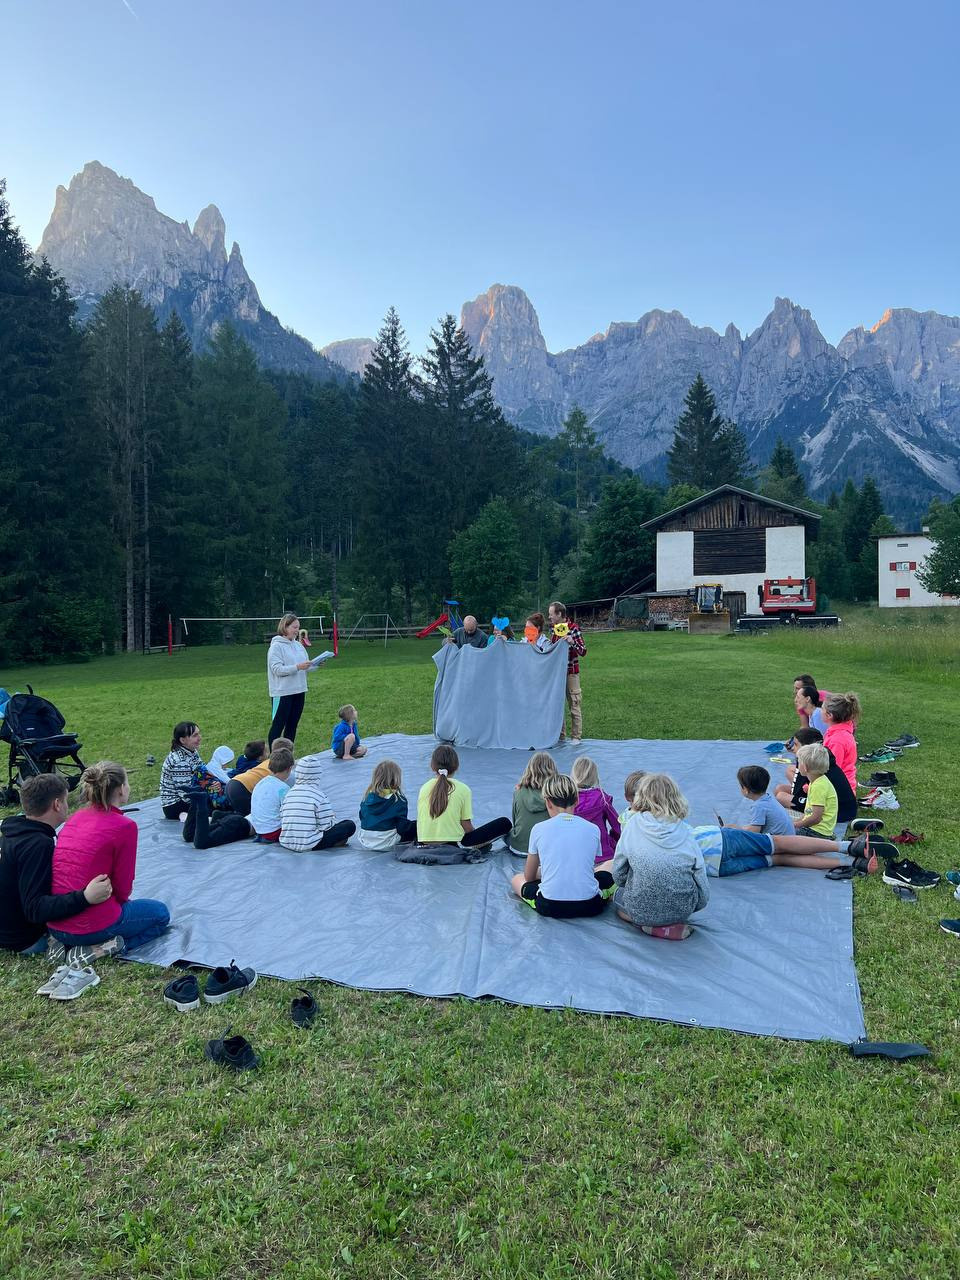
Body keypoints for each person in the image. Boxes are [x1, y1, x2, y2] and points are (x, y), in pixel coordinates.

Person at [49, 762, 170, 962]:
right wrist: (118, 908)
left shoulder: (74, 818)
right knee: (160, 913)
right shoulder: (124, 826)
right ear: (121, 789)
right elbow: (123, 887)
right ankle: (106, 947)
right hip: (92, 926)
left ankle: (67, 944)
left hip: (56, 924)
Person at [0, 774, 113, 956]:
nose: (67, 806)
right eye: (66, 801)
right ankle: (83, 950)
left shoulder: (13, 834)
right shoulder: (37, 844)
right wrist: (84, 897)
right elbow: (35, 908)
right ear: (57, 804)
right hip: (26, 940)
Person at [611, 773, 709, 940]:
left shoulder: (632, 824)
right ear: (675, 797)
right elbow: (701, 880)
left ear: (641, 796)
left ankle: (648, 926)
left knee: (618, 898)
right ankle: (666, 925)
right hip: (682, 910)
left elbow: (618, 873)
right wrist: (695, 905)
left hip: (640, 909)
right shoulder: (685, 830)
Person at [509, 773, 615, 917]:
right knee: (610, 864)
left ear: (548, 802)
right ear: (576, 800)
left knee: (517, 879)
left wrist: (542, 871)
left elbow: (529, 876)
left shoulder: (538, 829)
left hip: (550, 905)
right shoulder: (592, 829)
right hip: (590, 904)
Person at [692, 824, 879, 878]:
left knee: (779, 859)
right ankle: (849, 847)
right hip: (715, 840)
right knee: (778, 843)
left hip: (714, 869)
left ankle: (853, 863)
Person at [416, 744, 511, 848]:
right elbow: (467, 827)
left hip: (423, 842)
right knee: (504, 823)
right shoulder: (463, 789)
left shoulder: (424, 788)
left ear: (432, 766)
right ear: (456, 766)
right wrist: (480, 839)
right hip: (453, 845)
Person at [774, 727, 857, 836]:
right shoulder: (819, 763)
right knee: (780, 788)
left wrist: (797, 824)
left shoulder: (817, 780)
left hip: (839, 813)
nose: (793, 748)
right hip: (841, 806)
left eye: (796, 745)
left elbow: (815, 817)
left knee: (781, 797)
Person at [281, 753, 357, 851]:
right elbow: (326, 826)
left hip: (287, 841)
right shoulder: (319, 796)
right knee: (349, 825)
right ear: (318, 774)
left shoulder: (289, 793)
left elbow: (282, 816)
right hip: (310, 844)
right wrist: (332, 818)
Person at [160, 721, 228, 818]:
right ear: (183, 740)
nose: (199, 738)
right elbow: (186, 795)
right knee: (218, 810)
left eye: (199, 733)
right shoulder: (180, 762)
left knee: (223, 794)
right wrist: (210, 790)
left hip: (193, 792)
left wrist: (214, 782)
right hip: (175, 805)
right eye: (195, 735)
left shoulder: (192, 751)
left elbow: (203, 772)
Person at [267, 613, 314, 746]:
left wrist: (314, 664)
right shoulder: (276, 646)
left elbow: (305, 666)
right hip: (282, 692)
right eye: (294, 627)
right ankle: (274, 755)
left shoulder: (298, 646)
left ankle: (287, 754)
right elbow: (277, 669)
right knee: (278, 726)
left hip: (299, 690)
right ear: (285, 627)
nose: (297, 630)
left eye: (298, 627)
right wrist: (297, 667)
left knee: (292, 725)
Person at [546, 601, 586, 745]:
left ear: (559, 614)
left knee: (574, 704)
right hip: (557, 674)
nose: (549, 617)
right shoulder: (553, 629)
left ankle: (576, 737)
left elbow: (583, 651)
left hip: (571, 672)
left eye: (551, 614)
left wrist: (572, 642)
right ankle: (560, 736)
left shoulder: (573, 628)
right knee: (557, 705)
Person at [570, 756, 620, 866]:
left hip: (576, 857)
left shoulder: (568, 801)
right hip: (603, 855)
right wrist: (612, 841)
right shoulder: (602, 798)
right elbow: (618, 826)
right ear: (594, 776)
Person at [225, 737, 294, 816]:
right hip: (241, 788)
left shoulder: (268, 762)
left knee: (240, 814)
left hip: (233, 783)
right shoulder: (279, 766)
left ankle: (221, 816)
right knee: (250, 816)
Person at [358, 760, 417, 850]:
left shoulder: (366, 798)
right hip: (388, 843)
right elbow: (402, 827)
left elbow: (362, 817)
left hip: (365, 841)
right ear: (396, 779)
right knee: (417, 825)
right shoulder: (398, 799)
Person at [508, 751, 558, 856]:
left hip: (519, 848)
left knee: (506, 828)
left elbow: (515, 820)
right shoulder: (557, 793)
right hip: (547, 850)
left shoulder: (518, 791)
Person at [730, 764, 795, 837]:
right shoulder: (768, 798)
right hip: (789, 837)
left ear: (746, 790)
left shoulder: (758, 806)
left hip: (781, 841)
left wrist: (737, 830)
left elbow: (755, 831)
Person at [249, 746, 294, 843]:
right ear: (290, 768)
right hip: (273, 832)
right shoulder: (283, 788)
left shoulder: (261, 783)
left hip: (259, 830)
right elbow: (290, 812)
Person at [792, 744, 838, 837]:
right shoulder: (818, 781)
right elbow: (809, 813)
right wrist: (796, 822)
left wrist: (796, 825)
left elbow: (816, 818)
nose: (797, 765)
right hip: (817, 829)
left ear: (805, 767)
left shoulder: (818, 786)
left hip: (817, 832)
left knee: (782, 836)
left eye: (798, 762)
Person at [182, 790, 253, 850]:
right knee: (201, 843)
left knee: (190, 836)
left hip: (234, 819)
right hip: (239, 824)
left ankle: (194, 801)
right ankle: (201, 802)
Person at [822, 693, 860, 792]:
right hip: (838, 785)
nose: (820, 711)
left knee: (783, 794)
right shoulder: (837, 732)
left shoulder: (837, 740)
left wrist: (811, 785)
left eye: (822, 709)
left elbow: (832, 770)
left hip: (838, 790)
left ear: (829, 715)